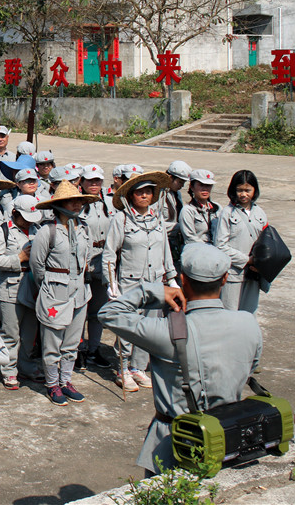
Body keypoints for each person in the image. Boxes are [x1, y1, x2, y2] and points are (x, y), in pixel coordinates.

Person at [98, 243, 262, 477]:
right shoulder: (248, 322)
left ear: (183, 280)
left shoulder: (170, 332)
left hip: (176, 441)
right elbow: (250, 368)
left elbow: (109, 313)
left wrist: (151, 290)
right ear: (225, 279)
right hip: (229, 435)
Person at [103, 171, 177, 392]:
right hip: (130, 283)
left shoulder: (158, 219)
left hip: (155, 282)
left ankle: (138, 367)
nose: (144, 196)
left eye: (148, 192)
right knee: (128, 329)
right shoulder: (121, 219)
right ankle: (123, 368)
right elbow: (109, 254)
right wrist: (111, 283)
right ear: (131, 196)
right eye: (139, 192)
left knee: (150, 328)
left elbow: (165, 250)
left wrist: (171, 278)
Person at [31, 181, 98, 406]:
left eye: (79, 200)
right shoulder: (47, 231)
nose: (77, 204)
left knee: (72, 342)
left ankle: (66, 380)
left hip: (80, 291)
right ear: (60, 204)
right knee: (52, 342)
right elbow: (37, 266)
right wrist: (50, 285)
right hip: (55, 291)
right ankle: (52, 384)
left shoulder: (85, 228)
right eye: (72, 200)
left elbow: (87, 257)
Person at [0, 195, 43, 389]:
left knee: (29, 332)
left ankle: (26, 365)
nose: (29, 221)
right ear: (14, 213)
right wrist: (18, 258)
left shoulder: (38, 230)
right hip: (11, 287)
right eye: (25, 217)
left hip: (33, 285)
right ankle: (9, 370)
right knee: (11, 333)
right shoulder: (2, 231)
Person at [212, 170, 268, 313]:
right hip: (233, 274)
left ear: (254, 190)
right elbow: (220, 245)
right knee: (230, 313)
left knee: (249, 314)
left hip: (253, 274)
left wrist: (261, 263)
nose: (243, 194)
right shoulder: (227, 213)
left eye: (247, 190)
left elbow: (267, 242)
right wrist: (247, 260)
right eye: (239, 190)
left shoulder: (260, 213)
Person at [77, 164, 113, 370]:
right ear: (82, 182)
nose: (94, 184)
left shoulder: (110, 203)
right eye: (90, 180)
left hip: (104, 261)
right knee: (80, 309)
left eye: (98, 180)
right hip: (84, 262)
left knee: (99, 310)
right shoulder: (77, 203)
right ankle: (78, 349)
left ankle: (94, 348)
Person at [178, 170, 219, 245]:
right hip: (198, 251)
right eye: (201, 185)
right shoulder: (188, 210)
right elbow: (190, 238)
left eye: (208, 185)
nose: (205, 189)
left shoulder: (217, 208)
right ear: (192, 187)